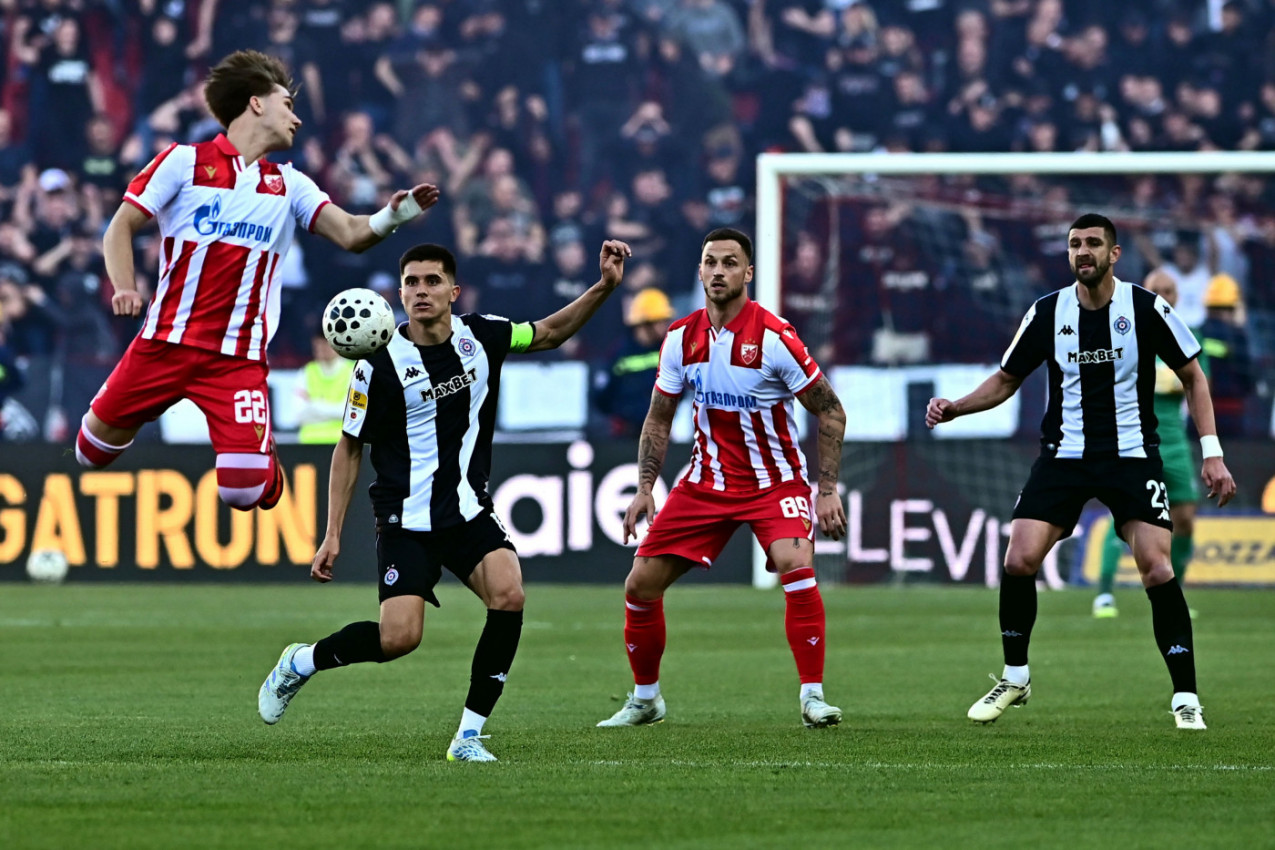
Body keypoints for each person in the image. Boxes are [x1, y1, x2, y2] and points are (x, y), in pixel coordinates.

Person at [258, 239, 633, 762]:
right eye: (411, 282)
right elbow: (349, 447)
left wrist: (605, 287)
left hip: (467, 510)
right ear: (400, 294)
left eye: (432, 281)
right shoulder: (377, 364)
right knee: (399, 639)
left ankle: (468, 737)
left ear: (454, 291)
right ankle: (302, 661)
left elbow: (548, 332)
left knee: (509, 594)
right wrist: (333, 533)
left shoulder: (483, 335)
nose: (421, 291)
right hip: (406, 519)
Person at [75, 50, 439, 512]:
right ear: (256, 103)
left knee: (243, 492)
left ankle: (264, 465)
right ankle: (147, 413)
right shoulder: (183, 162)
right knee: (88, 454)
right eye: (288, 104)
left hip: (236, 359)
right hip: (163, 343)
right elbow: (120, 226)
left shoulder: (290, 185)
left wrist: (393, 215)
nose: (297, 119)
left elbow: (351, 233)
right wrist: (125, 286)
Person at [926, 213, 1236, 731]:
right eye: (1075, 244)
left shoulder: (1146, 307)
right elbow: (1006, 379)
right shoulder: (1048, 311)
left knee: (1156, 567)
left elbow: (1193, 376)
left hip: (1131, 455)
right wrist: (956, 407)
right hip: (1064, 456)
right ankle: (1015, 676)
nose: (1082, 251)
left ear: (1114, 254)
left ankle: (1186, 696)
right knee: (1019, 559)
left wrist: (1212, 452)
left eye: (1093, 243)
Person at [595, 227, 849, 730]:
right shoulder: (679, 338)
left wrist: (826, 490)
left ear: (748, 273)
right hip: (706, 481)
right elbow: (659, 418)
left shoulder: (775, 338)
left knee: (795, 563)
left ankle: (813, 697)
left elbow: (831, 410)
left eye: (729, 263)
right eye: (710, 262)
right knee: (640, 584)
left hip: (774, 481)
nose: (718, 271)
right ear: (699, 271)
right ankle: (646, 700)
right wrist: (644, 489)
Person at [1093, 269, 1205, 618]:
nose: (1164, 295)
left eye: (1169, 290)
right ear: (1146, 292)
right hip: (1132, 441)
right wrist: (1166, 378)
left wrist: (1153, 378)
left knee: (1184, 521)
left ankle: (1177, 595)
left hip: (1174, 443)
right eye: (1157, 289)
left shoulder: (1188, 336)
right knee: (1123, 518)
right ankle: (1104, 593)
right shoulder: (1126, 331)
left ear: (1176, 296)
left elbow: (1196, 383)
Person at [592, 287, 675, 437]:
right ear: (646, 324)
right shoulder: (619, 354)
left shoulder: (667, 351)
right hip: (624, 435)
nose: (666, 325)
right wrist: (622, 415)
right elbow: (601, 396)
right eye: (661, 321)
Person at [293, 326, 354, 444]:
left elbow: (351, 413)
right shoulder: (305, 373)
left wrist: (314, 405)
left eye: (326, 343)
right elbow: (299, 414)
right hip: (309, 443)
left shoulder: (353, 372)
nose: (321, 348)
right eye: (318, 344)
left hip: (342, 444)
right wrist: (334, 409)